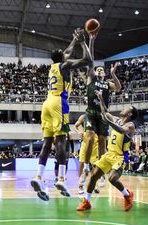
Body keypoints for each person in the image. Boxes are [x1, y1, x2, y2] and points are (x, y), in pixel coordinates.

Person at [30, 28, 92, 201]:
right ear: (63, 58)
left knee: (47, 143)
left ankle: (38, 176)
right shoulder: (66, 65)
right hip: (59, 103)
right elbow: (88, 60)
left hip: (47, 103)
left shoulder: (53, 66)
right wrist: (82, 42)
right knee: (61, 142)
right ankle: (62, 179)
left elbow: (66, 52)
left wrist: (73, 40)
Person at [77, 90, 137, 212]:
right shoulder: (116, 119)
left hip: (120, 157)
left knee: (112, 179)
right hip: (109, 154)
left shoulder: (130, 126)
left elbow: (121, 130)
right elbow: (105, 111)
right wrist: (100, 98)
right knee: (93, 176)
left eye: (127, 108)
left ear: (129, 114)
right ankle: (87, 202)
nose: (124, 108)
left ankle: (127, 195)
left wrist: (107, 121)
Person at [82, 31, 122, 173]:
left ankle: (100, 167)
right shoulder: (91, 78)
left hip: (103, 115)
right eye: (97, 69)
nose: (99, 70)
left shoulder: (108, 84)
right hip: (91, 113)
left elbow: (118, 88)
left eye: (101, 70)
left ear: (104, 74)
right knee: (91, 138)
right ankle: (86, 164)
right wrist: (91, 41)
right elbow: (90, 60)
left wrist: (113, 74)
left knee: (102, 141)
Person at [74, 114, 104, 195]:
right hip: (85, 143)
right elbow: (75, 126)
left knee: (95, 166)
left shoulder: (99, 117)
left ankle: (94, 185)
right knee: (82, 164)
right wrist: (79, 131)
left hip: (95, 144)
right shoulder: (83, 117)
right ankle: (80, 185)